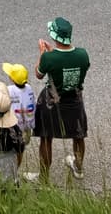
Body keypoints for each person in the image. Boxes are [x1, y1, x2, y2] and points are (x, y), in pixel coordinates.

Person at [33, 17, 90, 183]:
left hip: (52, 102)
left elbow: (38, 73)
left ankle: (44, 177)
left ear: (54, 35)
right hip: (74, 100)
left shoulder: (49, 58)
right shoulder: (82, 54)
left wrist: (43, 54)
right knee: (78, 135)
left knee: (46, 136)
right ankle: (78, 167)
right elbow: (81, 66)